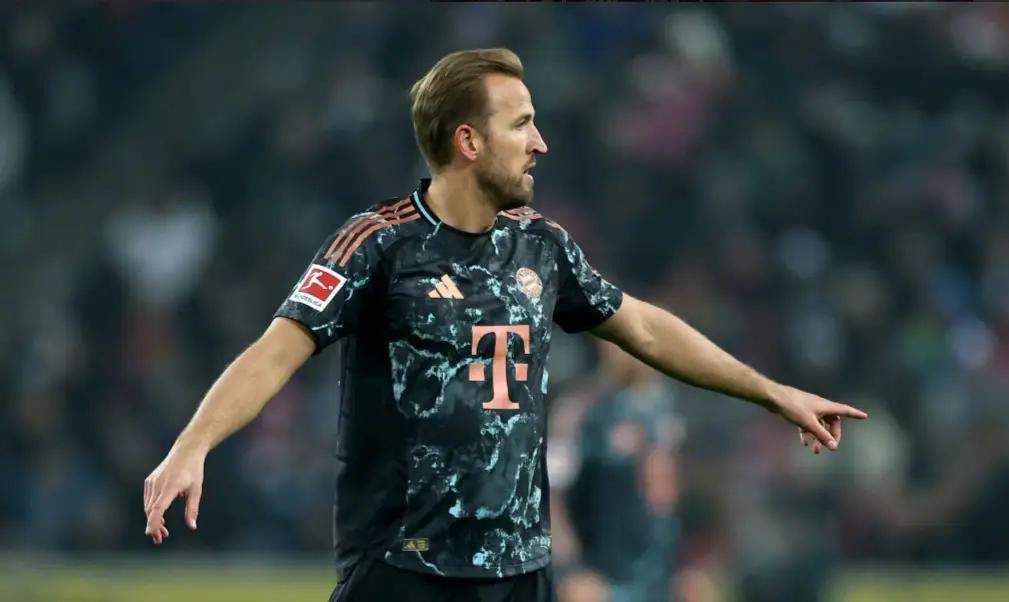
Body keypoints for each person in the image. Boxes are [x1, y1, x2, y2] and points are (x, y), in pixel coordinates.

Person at [142, 48, 867, 601]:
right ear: (468, 141)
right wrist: (193, 444)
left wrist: (771, 392)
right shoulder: (377, 244)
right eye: (520, 124)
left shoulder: (541, 246)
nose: (540, 142)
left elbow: (643, 329)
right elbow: (276, 351)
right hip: (401, 568)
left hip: (518, 574)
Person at [551, 340, 684, 602]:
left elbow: (665, 501)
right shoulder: (577, 413)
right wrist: (571, 570)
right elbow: (551, 498)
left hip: (655, 579)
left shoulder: (664, 411)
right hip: (598, 579)